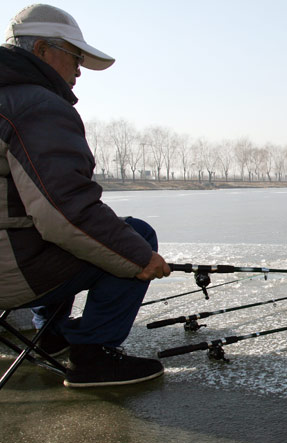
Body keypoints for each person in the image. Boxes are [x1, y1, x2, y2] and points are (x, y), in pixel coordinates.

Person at [1, 4, 171, 387]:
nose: (78, 71)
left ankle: (51, 333)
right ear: (43, 50)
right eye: (75, 57)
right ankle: (93, 356)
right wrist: (139, 257)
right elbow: (66, 213)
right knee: (136, 235)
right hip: (9, 274)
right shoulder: (35, 106)